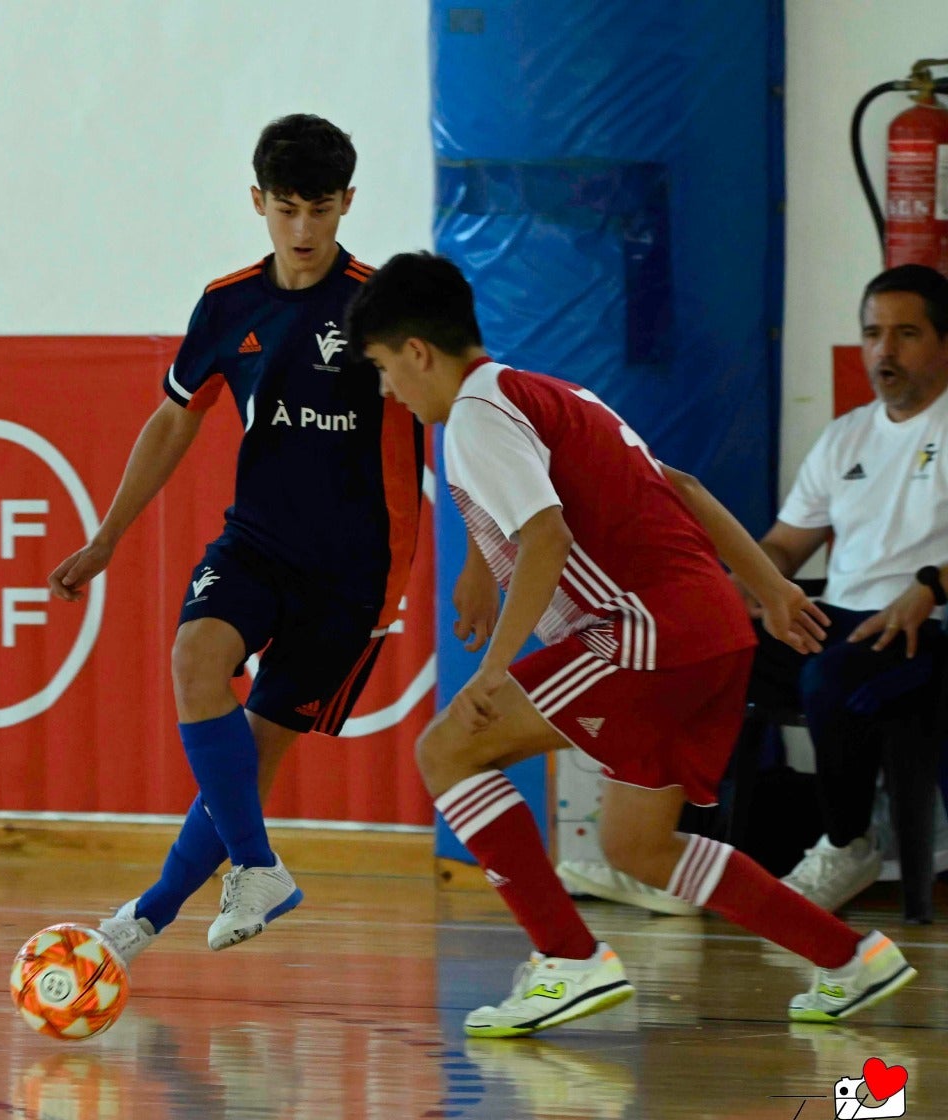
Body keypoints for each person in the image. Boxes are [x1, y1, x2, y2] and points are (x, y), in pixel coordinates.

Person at [345, 251, 917, 1037]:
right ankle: (852, 960)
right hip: (712, 629)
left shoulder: (475, 419)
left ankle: (567, 962)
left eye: (382, 368)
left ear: (417, 351)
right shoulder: (547, 392)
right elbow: (678, 484)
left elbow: (543, 535)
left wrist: (494, 668)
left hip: (642, 636)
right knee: (637, 847)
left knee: (447, 750)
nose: (388, 391)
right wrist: (773, 587)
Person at [47, 116, 489, 960]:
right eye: (286, 209)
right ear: (258, 202)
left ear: (347, 203)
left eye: (320, 209)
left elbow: (452, 422)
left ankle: (143, 920)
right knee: (193, 659)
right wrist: (106, 536)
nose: (303, 230)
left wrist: (472, 553)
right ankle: (252, 866)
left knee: (248, 760)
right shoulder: (226, 306)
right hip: (255, 542)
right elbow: (177, 420)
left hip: (354, 572)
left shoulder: (376, 306)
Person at [557, 264, 948, 923]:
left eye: (906, 334)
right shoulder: (846, 435)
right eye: (873, 333)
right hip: (839, 620)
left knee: (831, 676)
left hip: (922, 626)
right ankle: (672, 857)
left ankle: (847, 844)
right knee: (690, 656)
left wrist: (928, 588)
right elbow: (784, 548)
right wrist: (741, 587)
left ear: (942, 342)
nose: (885, 350)